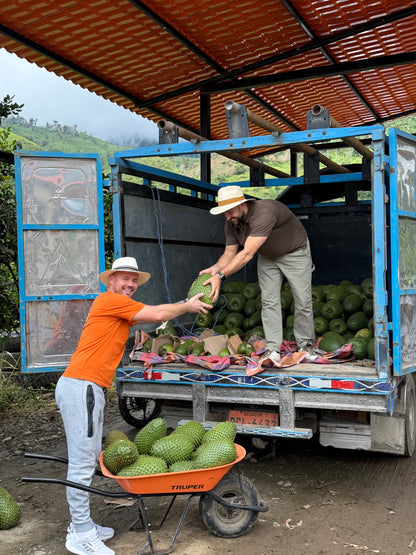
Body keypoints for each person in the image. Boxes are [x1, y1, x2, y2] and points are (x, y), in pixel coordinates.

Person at [55, 256, 211, 555]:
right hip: (81, 386)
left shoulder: (121, 310)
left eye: (134, 280)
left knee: (87, 457)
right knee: (82, 463)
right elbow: (158, 313)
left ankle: (81, 525)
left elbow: (150, 317)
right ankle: (81, 533)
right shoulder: (107, 300)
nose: (130, 284)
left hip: (87, 388)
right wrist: (188, 305)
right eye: (124, 278)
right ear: (111, 280)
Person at [201, 185, 315, 362]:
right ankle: (272, 348)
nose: (227, 216)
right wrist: (216, 268)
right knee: (269, 301)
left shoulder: (264, 212)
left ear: (242, 204)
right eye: (224, 212)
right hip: (267, 256)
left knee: (302, 299)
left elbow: (247, 254)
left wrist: (221, 276)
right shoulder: (232, 222)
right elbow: (230, 253)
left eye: (229, 211)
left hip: (293, 252)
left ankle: (305, 344)